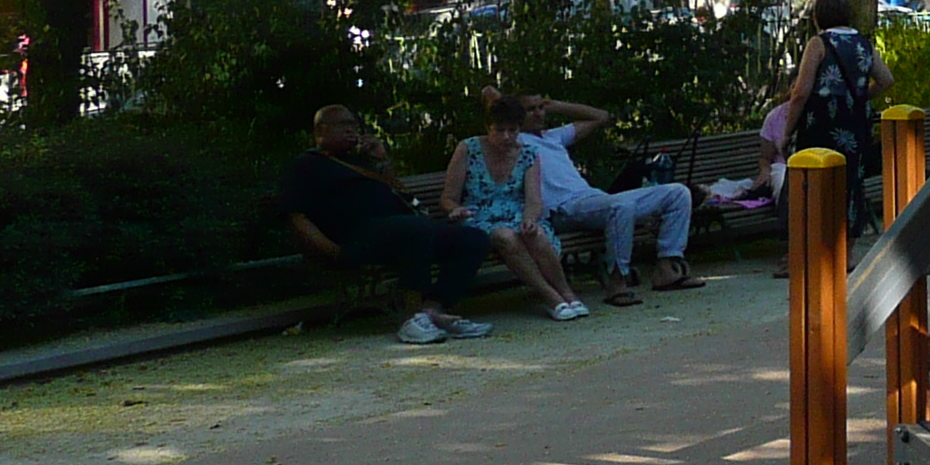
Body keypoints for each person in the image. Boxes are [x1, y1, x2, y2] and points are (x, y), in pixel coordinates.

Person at [278, 105, 494, 345]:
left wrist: (381, 158)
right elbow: (297, 216)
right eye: (343, 125)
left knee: (473, 239)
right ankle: (411, 318)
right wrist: (331, 251)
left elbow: (399, 191)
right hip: (353, 238)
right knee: (413, 229)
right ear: (322, 130)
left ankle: (432, 310)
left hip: (400, 233)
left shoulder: (362, 160)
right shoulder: (306, 165)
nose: (352, 130)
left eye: (354, 125)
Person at [502, 88, 694, 304]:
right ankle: (616, 280)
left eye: (540, 108)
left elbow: (601, 117)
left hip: (591, 200)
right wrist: (494, 95)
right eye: (530, 110)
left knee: (677, 193)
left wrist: (555, 104)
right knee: (620, 206)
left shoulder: (554, 137)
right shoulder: (514, 140)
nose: (538, 114)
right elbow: (497, 112)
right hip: (563, 209)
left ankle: (667, 267)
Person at [441, 95, 589, 322]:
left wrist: (529, 219)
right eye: (499, 130)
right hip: (479, 216)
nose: (506, 137)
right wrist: (455, 209)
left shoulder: (528, 153)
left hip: (516, 212)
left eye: (512, 130)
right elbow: (448, 198)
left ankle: (567, 293)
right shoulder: (468, 149)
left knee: (534, 233)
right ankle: (550, 296)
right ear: (488, 127)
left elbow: (533, 200)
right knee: (506, 237)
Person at [782, 0, 895, 221]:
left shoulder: (818, 43)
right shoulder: (863, 43)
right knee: (851, 181)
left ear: (818, 15)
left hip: (821, 121)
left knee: (813, 181)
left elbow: (800, 92)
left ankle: (811, 243)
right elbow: (886, 79)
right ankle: (848, 247)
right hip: (856, 121)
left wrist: (787, 131)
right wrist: (861, 97)